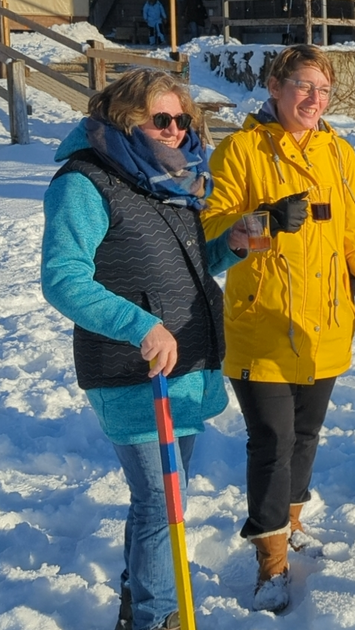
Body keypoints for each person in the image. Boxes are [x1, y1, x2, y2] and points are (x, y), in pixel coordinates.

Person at [201, 45, 355, 613]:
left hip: (324, 324)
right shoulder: (240, 151)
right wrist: (262, 220)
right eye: (303, 85)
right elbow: (210, 229)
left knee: (307, 435)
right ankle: (269, 562)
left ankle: (290, 522)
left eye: (324, 90)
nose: (315, 99)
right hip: (262, 324)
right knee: (273, 441)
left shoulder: (338, 154)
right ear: (275, 86)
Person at [40, 68, 247, 630]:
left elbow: (184, 267)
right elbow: (63, 279)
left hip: (186, 362)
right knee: (163, 504)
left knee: (160, 500)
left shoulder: (169, 178)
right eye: (162, 119)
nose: (176, 129)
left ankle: (139, 594)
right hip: (133, 370)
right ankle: (158, 617)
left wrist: (229, 246)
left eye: (183, 119)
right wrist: (140, 326)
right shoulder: (83, 183)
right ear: (126, 118)